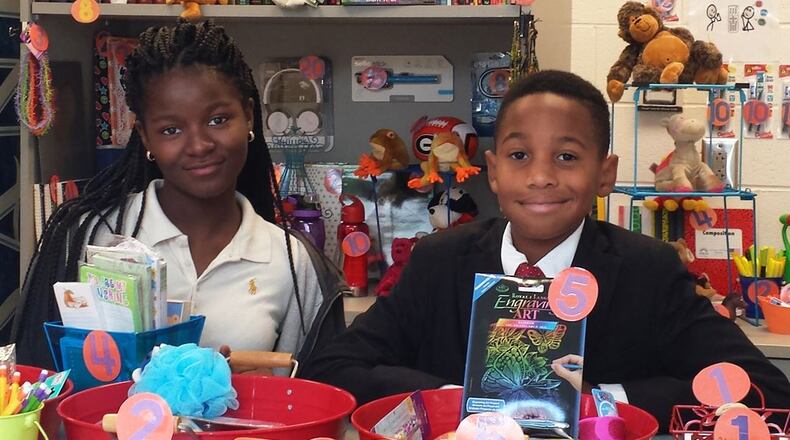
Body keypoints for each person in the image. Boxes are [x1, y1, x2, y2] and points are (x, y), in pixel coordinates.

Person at [302, 70, 790, 431]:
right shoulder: (440, 262)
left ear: (605, 173)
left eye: (567, 156)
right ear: (493, 171)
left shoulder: (648, 270)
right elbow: (333, 369)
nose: (540, 176)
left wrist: (601, 404)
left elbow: (764, 392)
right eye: (519, 156)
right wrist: (457, 401)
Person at [11, 20, 338, 372]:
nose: (199, 145)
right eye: (171, 129)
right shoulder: (90, 237)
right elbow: (36, 392)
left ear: (248, 116)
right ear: (145, 137)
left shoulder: (289, 260)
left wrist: (262, 392)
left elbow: (309, 402)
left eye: (217, 120)